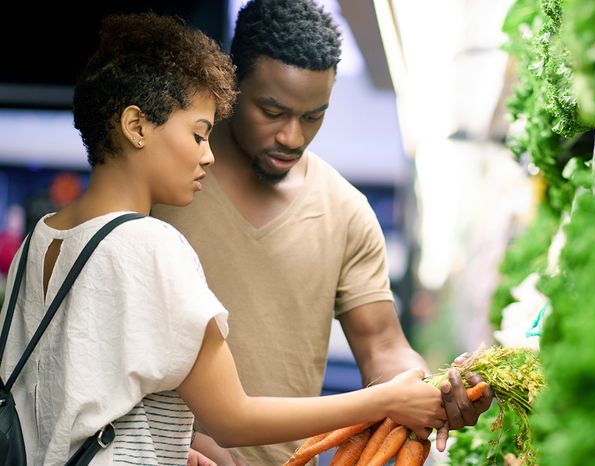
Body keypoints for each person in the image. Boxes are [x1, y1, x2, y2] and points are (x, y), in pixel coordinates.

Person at [0, 12, 445, 466]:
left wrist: (170, 443)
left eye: (313, 116)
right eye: (198, 134)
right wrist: (384, 401)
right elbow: (233, 418)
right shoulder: (152, 243)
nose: (207, 156)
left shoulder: (40, 238)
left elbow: (72, 388)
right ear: (136, 127)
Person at [152, 0, 494, 464]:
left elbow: (383, 346)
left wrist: (431, 389)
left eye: (313, 116)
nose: (292, 136)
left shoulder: (346, 210)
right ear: (230, 85)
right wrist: (181, 441)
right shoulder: (162, 185)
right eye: (272, 111)